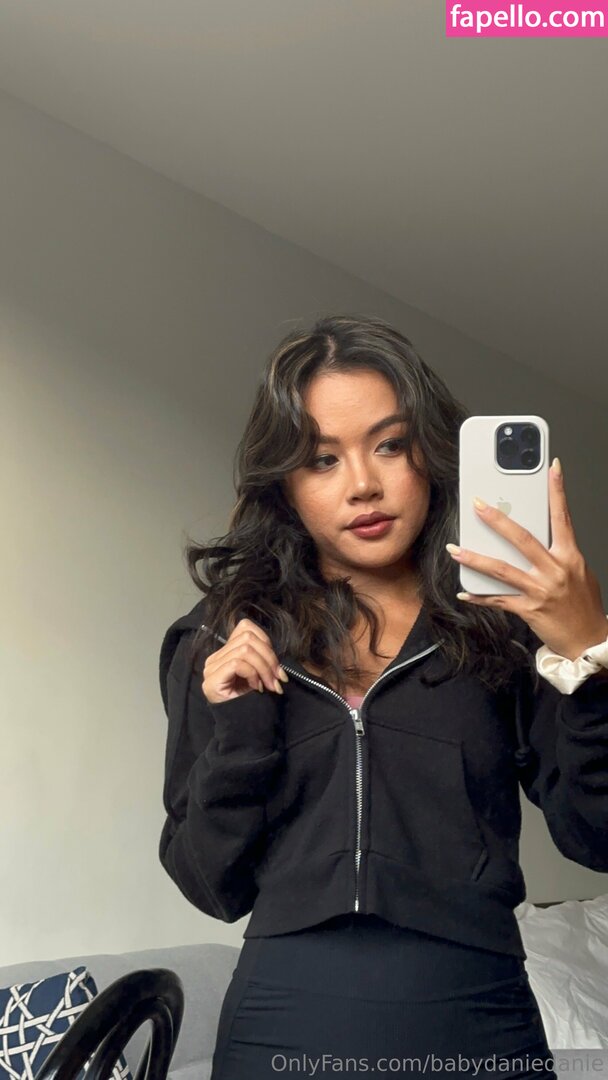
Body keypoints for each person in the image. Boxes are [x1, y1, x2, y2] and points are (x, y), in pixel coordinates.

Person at [158, 314, 608, 1079]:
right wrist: (240, 738)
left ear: (430, 453)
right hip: (280, 1029)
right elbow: (210, 884)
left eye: (390, 445)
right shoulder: (222, 637)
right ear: (284, 484)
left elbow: (597, 837)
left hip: (480, 1022)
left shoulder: (503, 629)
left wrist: (589, 652)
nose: (362, 483)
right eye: (321, 458)